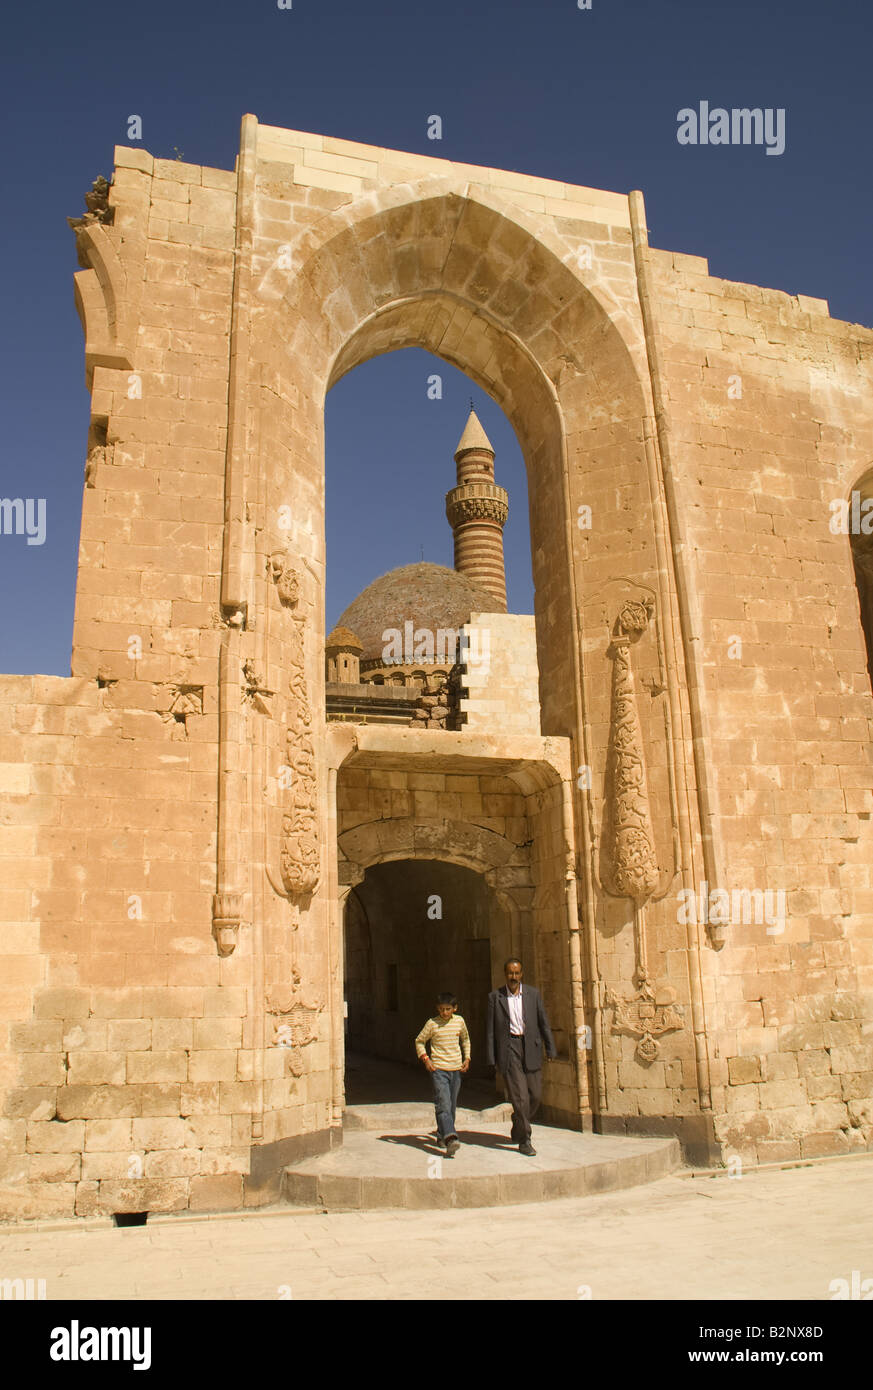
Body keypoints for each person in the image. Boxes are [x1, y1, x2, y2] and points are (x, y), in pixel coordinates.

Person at [486, 957, 556, 1156]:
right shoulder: (495, 997)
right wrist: (492, 1057)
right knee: (521, 1098)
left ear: (522, 974)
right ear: (505, 974)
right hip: (509, 1049)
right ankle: (525, 1140)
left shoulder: (533, 994)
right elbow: (490, 1030)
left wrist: (550, 1047)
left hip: (531, 1048)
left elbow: (543, 1022)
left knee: (535, 1096)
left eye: (517, 973)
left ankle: (518, 1121)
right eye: (510, 973)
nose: (513, 977)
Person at [414, 992, 470, 1158]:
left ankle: (441, 1135)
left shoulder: (459, 1021)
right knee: (443, 1103)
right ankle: (451, 1138)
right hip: (438, 1070)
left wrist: (467, 1057)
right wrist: (426, 1059)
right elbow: (419, 1041)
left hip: (456, 1069)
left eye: (448, 1009)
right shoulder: (432, 1024)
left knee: (451, 1106)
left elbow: (465, 1039)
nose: (444, 1013)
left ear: (455, 1008)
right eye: (441, 1009)